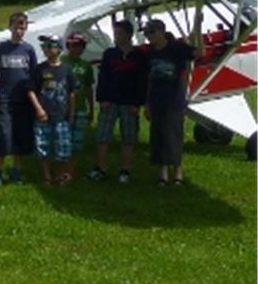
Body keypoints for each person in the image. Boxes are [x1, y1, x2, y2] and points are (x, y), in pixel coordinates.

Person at [143, 18, 202, 186]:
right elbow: (150, 79)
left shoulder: (177, 48)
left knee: (174, 134)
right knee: (158, 135)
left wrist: (197, 27)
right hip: (156, 99)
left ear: (161, 31)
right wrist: (147, 103)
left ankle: (177, 172)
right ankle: (162, 173)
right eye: (147, 33)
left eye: (151, 32)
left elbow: (199, 53)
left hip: (174, 99)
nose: (149, 36)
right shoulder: (152, 52)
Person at [88, 20, 148, 184]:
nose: (116, 37)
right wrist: (102, 98)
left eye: (120, 34)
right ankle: (100, 167)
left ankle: (125, 170)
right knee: (102, 135)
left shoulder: (139, 56)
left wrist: (138, 103)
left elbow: (142, 81)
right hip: (111, 100)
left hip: (130, 102)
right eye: (115, 34)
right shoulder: (110, 54)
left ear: (129, 35)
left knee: (128, 138)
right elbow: (103, 77)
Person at [0, 11, 36, 186]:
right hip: (6, 98)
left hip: (23, 100)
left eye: (23, 27)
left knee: (20, 136)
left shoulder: (29, 50)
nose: (20, 31)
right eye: (17, 27)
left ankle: (16, 170)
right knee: (5, 135)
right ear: (10, 27)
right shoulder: (1, 48)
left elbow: (33, 77)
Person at [27, 34, 76, 185]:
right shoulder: (39, 69)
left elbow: (72, 93)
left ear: (60, 49)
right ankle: (47, 175)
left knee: (63, 146)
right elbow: (31, 90)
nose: (46, 49)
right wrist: (38, 109)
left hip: (61, 115)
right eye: (44, 46)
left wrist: (72, 113)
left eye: (50, 46)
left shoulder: (66, 69)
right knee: (43, 145)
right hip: (43, 114)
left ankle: (60, 173)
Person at [63, 31, 95, 162]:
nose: (78, 49)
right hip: (64, 108)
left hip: (81, 108)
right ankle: (61, 168)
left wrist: (91, 109)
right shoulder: (62, 62)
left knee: (77, 141)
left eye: (81, 46)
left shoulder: (86, 65)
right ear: (68, 46)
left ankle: (71, 170)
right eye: (74, 45)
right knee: (63, 140)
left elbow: (88, 88)